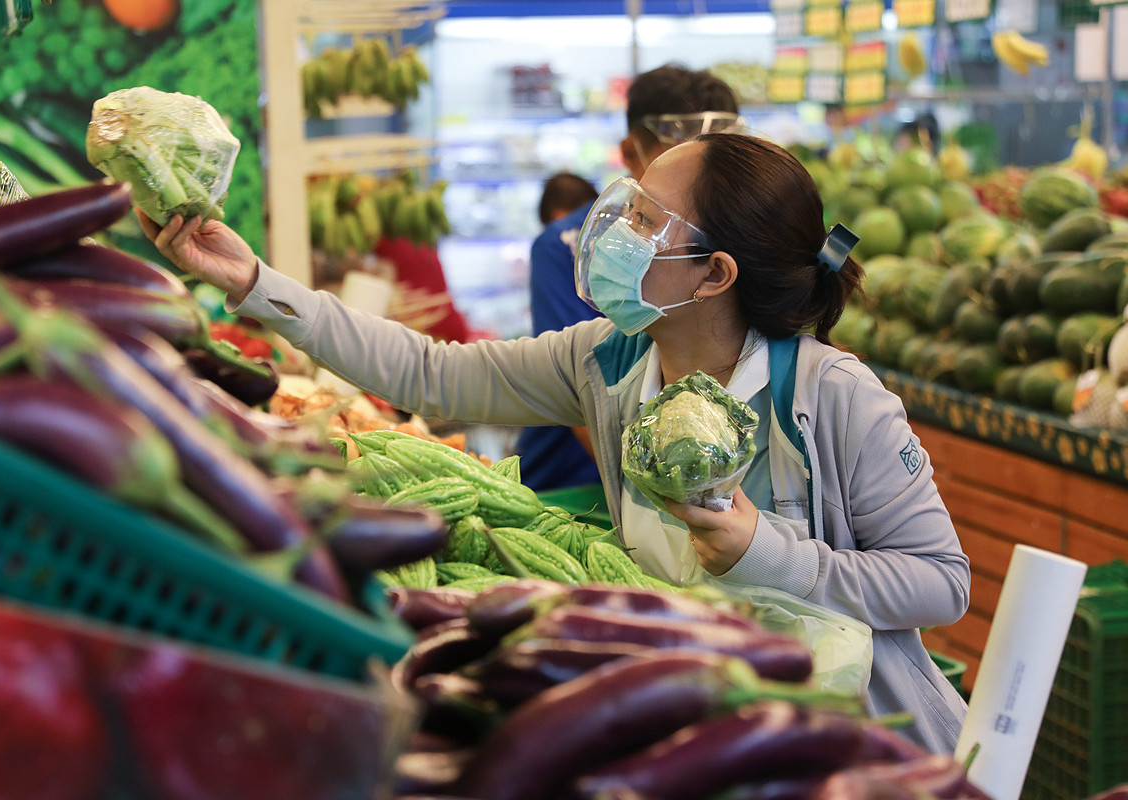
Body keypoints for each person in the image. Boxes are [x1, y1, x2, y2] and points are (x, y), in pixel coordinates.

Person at [138, 131, 970, 754]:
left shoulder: (830, 397)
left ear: (712, 275)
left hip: (851, 743)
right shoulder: (603, 361)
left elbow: (941, 584)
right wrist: (252, 283)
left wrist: (767, 553)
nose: (608, 231)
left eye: (643, 220)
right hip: (699, 728)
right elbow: (428, 374)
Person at [519, 64, 741, 493]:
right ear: (631, 153)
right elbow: (588, 383)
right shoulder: (575, 248)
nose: (699, 173)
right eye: (678, 153)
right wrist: (649, 497)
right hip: (587, 480)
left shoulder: (735, 246)